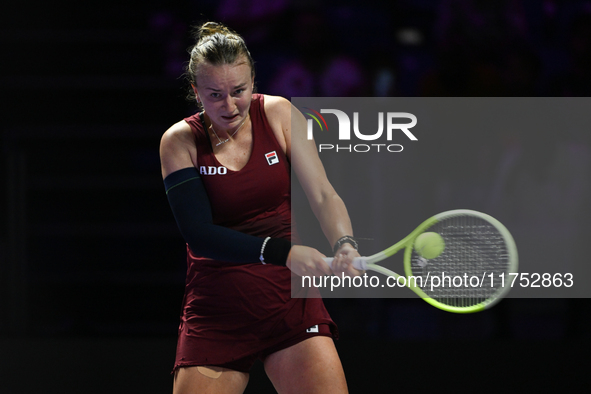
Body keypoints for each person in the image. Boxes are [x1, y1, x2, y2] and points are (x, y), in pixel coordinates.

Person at [159, 21, 361, 394]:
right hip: (218, 310)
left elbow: (323, 195)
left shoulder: (279, 114)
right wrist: (285, 253)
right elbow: (200, 236)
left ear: (253, 79)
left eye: (238, 90)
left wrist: (344, 242)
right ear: (195, 91)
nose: (230, 105)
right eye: (215, 94)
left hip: (287, 304)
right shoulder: (179, 141)